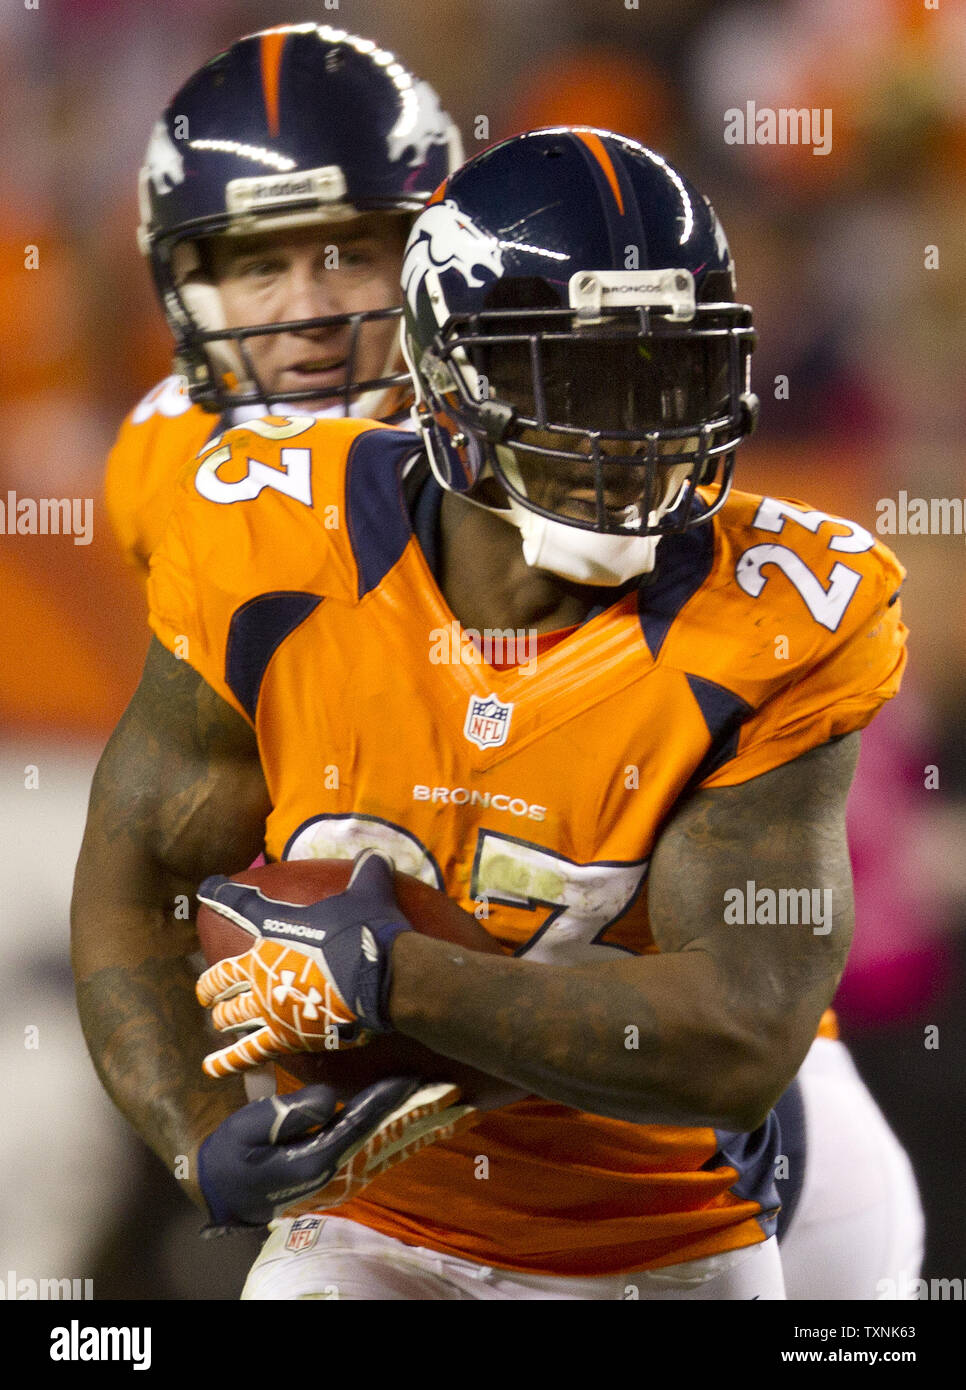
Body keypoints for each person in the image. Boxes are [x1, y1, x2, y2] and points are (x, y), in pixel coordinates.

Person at [73, 127, 921, 1300]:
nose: (633, 432)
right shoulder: (267, 535)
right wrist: (196, 1128)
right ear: (444, 376)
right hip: (371, 1217)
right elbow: (138, 881)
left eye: (665, 372)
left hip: (655, 1236)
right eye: (577, 376)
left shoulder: (777, 617)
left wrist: (390, 974)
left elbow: (737, 1032)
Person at [104, 22, 463, 577]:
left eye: (351, 257)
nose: (308, 314)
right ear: (198, 293)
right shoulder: (166, 455)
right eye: (262, 268)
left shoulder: (507, 443)